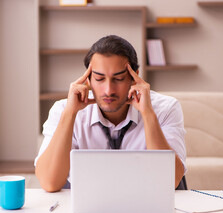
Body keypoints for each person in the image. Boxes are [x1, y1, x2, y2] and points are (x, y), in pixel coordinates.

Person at [35, 35, 186, 192]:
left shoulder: (166, 108)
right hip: (90, 203)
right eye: (99, 79)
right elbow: (49, 182)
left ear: (135, 78)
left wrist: (148, 114)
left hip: (147, 201)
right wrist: (69, 115)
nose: (108, 90)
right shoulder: (63, 109)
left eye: (119, 78)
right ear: (88, 80)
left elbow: (170, 181)